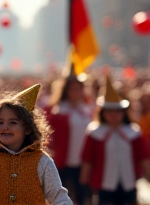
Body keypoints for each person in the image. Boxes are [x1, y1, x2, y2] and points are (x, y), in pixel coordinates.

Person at [80, 75, 150, 205]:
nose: (114, 115)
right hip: (103, 187)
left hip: (129, 185)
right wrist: (85, 187)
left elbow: (144, 158)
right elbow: (87, 161)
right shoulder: (94, 133)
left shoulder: (133, 132)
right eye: (109, 111)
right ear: (103, 113)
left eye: (117, 111)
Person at [48, 63, 92, 204]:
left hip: (83, 161)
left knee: (82, 196)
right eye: (73, 89)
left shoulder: (86, 110)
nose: (77, 92)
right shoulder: (59, 111)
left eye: (79, 89)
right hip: (64, 161)